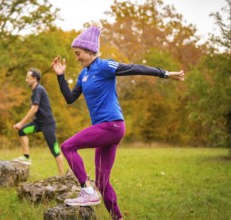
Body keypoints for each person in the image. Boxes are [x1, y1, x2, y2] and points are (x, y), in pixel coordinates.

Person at [51, 26, 185, 220]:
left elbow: (135, 68)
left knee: (67, 146)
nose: (76, 57)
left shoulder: (105, 66)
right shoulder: (83, 74)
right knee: (102, 182)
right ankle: (118, 217)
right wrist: (60, 76)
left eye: (78, 53)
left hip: (111, 125)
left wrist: (164, 73)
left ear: (89, 50)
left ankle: (87, 191)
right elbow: (70, 98)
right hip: (106, 129)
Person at [13, 68, 64, 175]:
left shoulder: (39, 90)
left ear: (34, 78)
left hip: (48, 125)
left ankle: (62, 176)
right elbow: (37, 110)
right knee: (22, 131)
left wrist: (21, 122)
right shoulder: (35, 91)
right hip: (38, 124)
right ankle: (26, 157)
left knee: (55, 150)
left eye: (28, 78)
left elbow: (34, 109)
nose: (26, 80)